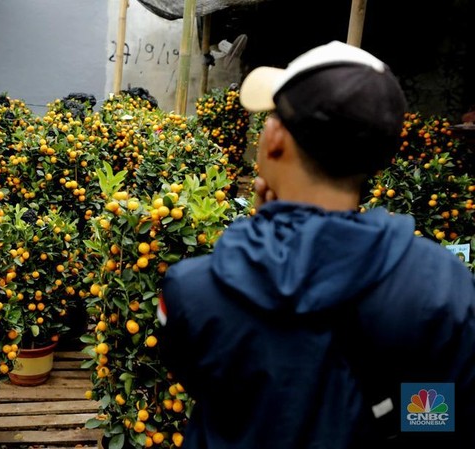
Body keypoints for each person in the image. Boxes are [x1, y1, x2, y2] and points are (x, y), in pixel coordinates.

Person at [158, 41, 475, 449]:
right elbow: (440, 417)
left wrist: (269, 229)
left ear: (274, 139)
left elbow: (200, 377)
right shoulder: (442, 287)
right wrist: (382, 410)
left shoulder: (193, 288)